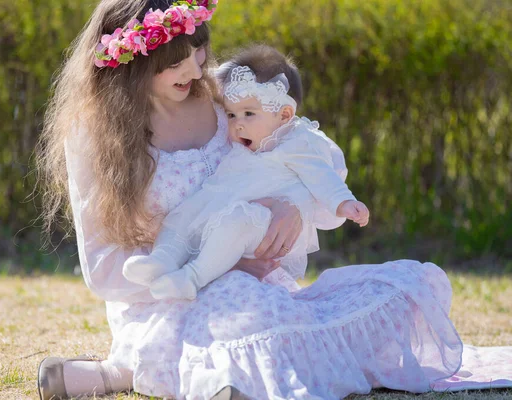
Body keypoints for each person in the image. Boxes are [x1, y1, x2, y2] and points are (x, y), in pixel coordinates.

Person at [35, 0, 466, 399]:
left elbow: (311, 154)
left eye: (199, 49)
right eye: (174, 62)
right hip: (166, 299)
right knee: (249, 323)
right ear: (133, 63)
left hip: (258, 290)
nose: (193, 67)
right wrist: (221, 265)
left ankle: (163, 371)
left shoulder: (228, 96)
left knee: (401, 292)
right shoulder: (97, 136)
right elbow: (104, 270)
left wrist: (292, 205)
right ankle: (149, 369)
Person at [122, 46, 370, 300]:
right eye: (231, 114)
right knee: (182, 216)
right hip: (218, 205)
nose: (236, 123)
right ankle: (162, 260)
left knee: (236, 222)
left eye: (249, 114)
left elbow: (322, 176)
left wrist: (344, 202)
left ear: (284, 114)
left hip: (259, 221)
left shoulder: (298, 143)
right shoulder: (246, 143)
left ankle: (191, 278)